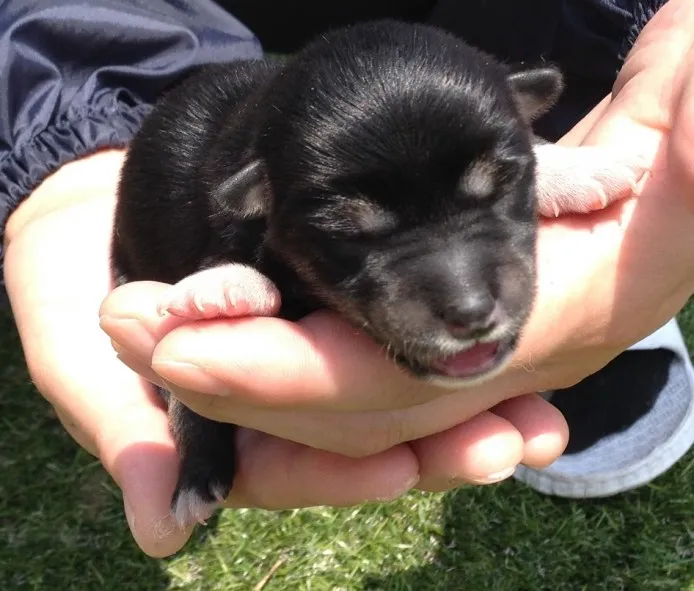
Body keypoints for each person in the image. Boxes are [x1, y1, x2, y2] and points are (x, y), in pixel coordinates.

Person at [2, 0, 693, 559]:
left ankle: (599, 265)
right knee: (198, 364)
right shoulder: (240, 211)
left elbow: (479, 138)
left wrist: (553, 167)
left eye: (497, 183)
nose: (469, 301)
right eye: (356, 228)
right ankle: (198, 419)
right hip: (178, 234)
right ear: (261, 202)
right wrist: (61, 133)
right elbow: (202, 273)